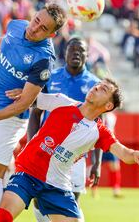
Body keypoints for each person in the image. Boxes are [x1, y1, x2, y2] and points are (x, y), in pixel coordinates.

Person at [0, 79, 139, 222]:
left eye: (103, 89)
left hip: (57, 186)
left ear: (108, 105)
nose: (96, 87)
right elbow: (31, 99)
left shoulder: (100, 132)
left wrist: (135, 154)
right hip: (27, 173)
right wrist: (23, 92)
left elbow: (124, 153)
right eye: (97, 85)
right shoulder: (62, 102)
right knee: (3, 216)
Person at [0, 3, 67, 220]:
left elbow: (25, 103)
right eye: (36, 21)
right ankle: (11, 200)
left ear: (51, 34)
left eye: (43, 28)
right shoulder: (16, 26)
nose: (34, 29)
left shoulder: (43, 59)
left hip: (10, 117)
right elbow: (3, 43)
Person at [27, 37, 100, 222]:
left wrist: (97, 163)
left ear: (87, 55)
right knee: (38, 199)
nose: (76, 53)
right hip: (47, 148)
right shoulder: (51, 77)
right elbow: (36, 113)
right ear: (65, 53)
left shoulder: (95, 84)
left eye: (81, 50)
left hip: (76, 154)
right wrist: (31, 144)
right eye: (72, 49)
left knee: (70, 202)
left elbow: (100, 125)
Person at [91, 113, 123, 198]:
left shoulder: (113, 116)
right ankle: (94, 189)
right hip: (98, 143)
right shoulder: (97, 113)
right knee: (96, 166)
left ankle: (116, 189)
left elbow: (112, 130)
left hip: (109, 143)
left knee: (115, 166)